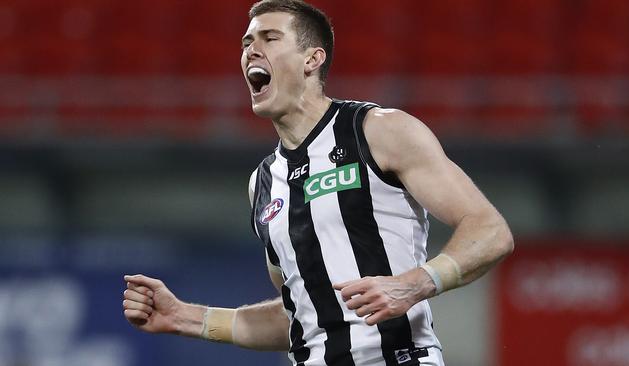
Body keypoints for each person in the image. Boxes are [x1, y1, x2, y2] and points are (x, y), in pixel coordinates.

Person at [122, 1, 514, 365]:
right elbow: (298, 313)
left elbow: (490, 231)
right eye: (246, 42)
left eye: (269, 38)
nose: (250, 51)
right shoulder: (262, 183)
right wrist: (186, 317)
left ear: (312, 58)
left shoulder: (378, 131)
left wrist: (415, 284)